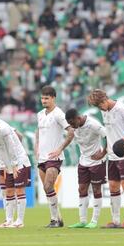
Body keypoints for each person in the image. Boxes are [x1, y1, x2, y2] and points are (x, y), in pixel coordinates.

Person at [87, 89, 124, 228]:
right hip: (111, 156)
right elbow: (109, 133)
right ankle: (115, 220)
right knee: (113, 186)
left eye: (99, 105)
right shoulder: (104, 111)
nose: (99, 109)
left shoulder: (121, 108)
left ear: (104, 100)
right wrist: (104, 152)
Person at [35, 86, 75, 228]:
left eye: (46, 98)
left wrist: (59, 149)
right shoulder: (40, 114)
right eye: (42, 98)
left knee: (48, 186)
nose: (44, 100)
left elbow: (71, 132)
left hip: (54, 157)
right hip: (42, 157)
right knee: (47, 190)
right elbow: (38, 132)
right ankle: (59, 218)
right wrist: (36, 148)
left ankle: (54, 220)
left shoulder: (59, 114)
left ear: (53, 98)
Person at [65, 109, 107, 229]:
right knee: (82, 189)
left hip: (96, 161)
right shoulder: (75, 126)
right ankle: (82, 221)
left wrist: (103, 153)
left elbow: (107, 136)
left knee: (96, 190)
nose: (72, 127)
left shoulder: (93, 124)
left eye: (73, 123)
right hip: (83, 161)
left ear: (78, 118)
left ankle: (94, 221)